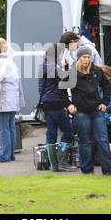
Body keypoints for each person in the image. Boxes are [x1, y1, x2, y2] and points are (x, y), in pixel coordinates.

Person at [58, 46, 111, 175]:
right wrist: (69, 105)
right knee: (85, 142)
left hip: (96, 110)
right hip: (80, 112)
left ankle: (110, 168)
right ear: (79, 58)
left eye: (88, 57)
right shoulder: (72, 73)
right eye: (84, 57)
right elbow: (61, 91)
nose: (86, 60)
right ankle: (87, 171)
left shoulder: (97, 71)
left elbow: (106, 85)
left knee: (103, 139)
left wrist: (105, 102)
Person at [38, 43, 77, 172]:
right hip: (56, 103)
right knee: (68, 132)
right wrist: (67, 67)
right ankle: (63, 163)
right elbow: (67, 80)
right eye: (61, 54)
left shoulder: (41, 66)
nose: (62, 56)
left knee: (51, 133)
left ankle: (54, 166)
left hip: (45, 103)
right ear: (57, 54)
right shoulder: (54, 67)